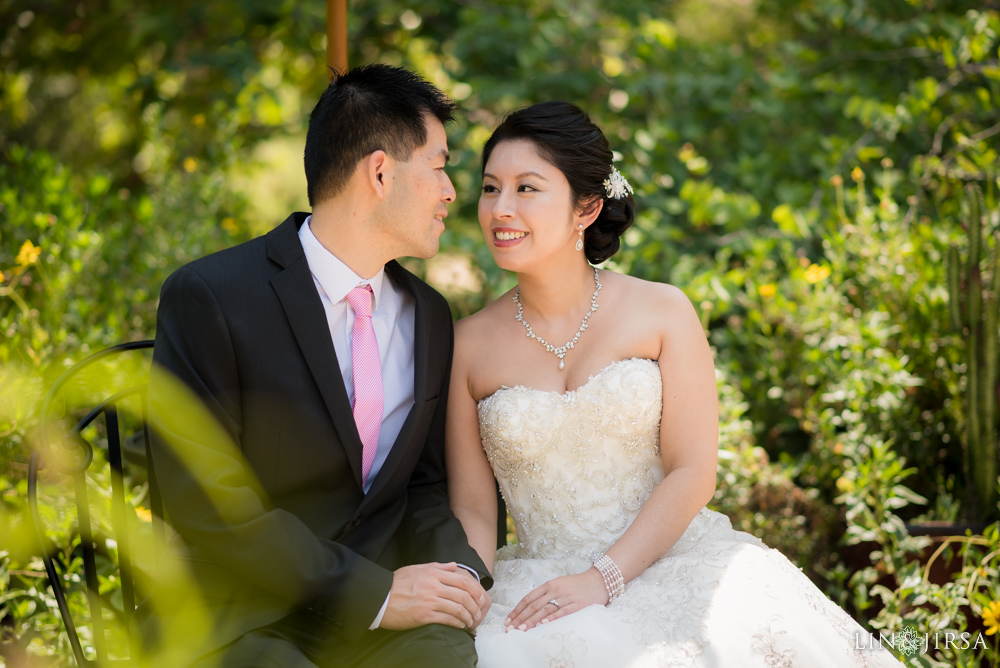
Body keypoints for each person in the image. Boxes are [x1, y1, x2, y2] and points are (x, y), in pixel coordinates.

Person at [446, 101, 903, 667]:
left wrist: (602, 578)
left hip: (674, 563)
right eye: (491, 188)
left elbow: (693, 470)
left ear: (586, 207)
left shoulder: (662, 311)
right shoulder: (466, 344)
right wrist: (461, 597)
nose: (501, 209)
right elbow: (473, 512)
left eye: (527, 188)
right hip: (537, 586)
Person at [140, 64, 491, 668]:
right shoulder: (212, 296)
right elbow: (207, 504)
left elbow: (423, 484)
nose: (451, 192)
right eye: (439, 166)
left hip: (381, 625)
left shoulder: (430, 314)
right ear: (380, 173)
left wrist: (458, 573)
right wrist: (374, 592)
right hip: (240, 617)